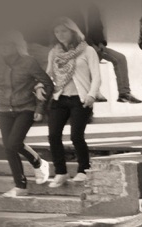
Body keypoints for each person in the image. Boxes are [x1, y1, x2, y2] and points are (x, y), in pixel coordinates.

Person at [0, 31, 54, 197]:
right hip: (4, 109)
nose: (3, 48)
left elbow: (46, 83)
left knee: (14, 143)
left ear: (16, 45)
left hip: (26, 108)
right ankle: (20, 187)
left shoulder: (28, 62)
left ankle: (39, 162)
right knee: (9, 148)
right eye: (0, 45)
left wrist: (40, 108)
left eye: (7, 44)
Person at [45, 17, 101, 187]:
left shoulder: (88, 50)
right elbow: (49, 74)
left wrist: (91, 95)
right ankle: (60, 172)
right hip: (60, 98)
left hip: (81, 99)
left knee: (76, 136)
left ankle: (83, 170)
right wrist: (41, 86)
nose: (60, 35)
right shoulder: (54, 52)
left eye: (63, 31)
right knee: (53, 135)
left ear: (73, 31)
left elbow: (96, 76)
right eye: (57, 32)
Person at [67, 2, 142, 103]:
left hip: (95, 46)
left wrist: (101, 43)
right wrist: (91, 45)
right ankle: (94, 93)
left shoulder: (92, 8)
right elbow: (74, 33)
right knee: (89, 62)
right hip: (77, 48)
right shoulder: (71, 9)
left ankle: (124, 93)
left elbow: (98, 28)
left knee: (120, 58)